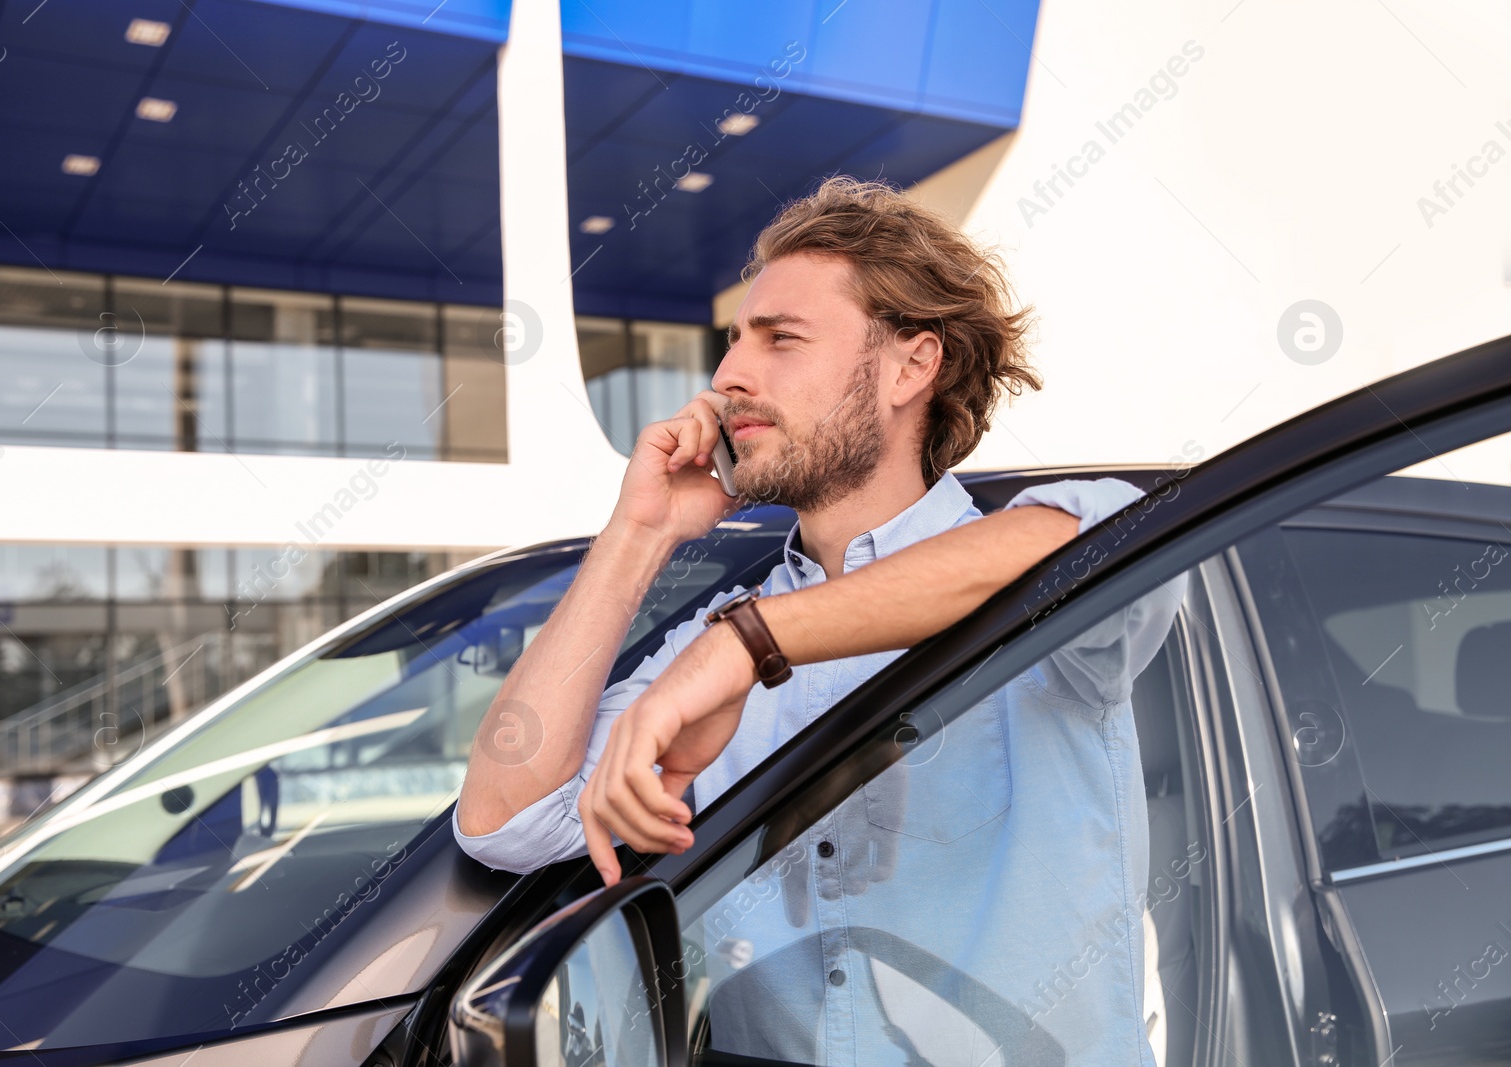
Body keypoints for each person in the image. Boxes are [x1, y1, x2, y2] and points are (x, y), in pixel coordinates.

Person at [455, 176, 1182, 1064]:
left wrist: (749, 646)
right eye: (732, 345)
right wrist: (640, 532)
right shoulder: (716, 641)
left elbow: (1094, 544)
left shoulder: (1042, 555)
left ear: (912, 366)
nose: (728, 378)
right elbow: (503, 816)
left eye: (781, 340)